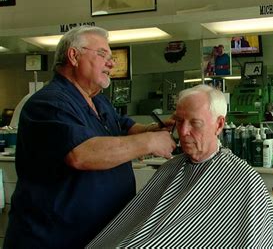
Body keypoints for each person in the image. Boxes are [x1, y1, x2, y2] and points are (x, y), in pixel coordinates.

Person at [4, 26, 176, 248]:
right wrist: (150, 142)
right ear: (74, 56)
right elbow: (82, 154)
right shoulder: (48, 103)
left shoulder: (98, 100)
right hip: (52, 238)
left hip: (97, 236)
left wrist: (154, 129)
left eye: (111, 57)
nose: (112, 63)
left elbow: (123, 127)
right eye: (102, 54)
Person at [88, 84, 273, 248]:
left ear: (219, 124)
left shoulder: (243, 179)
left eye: (195, 123)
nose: (183, 131)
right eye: (179, 121)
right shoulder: (170, 168)